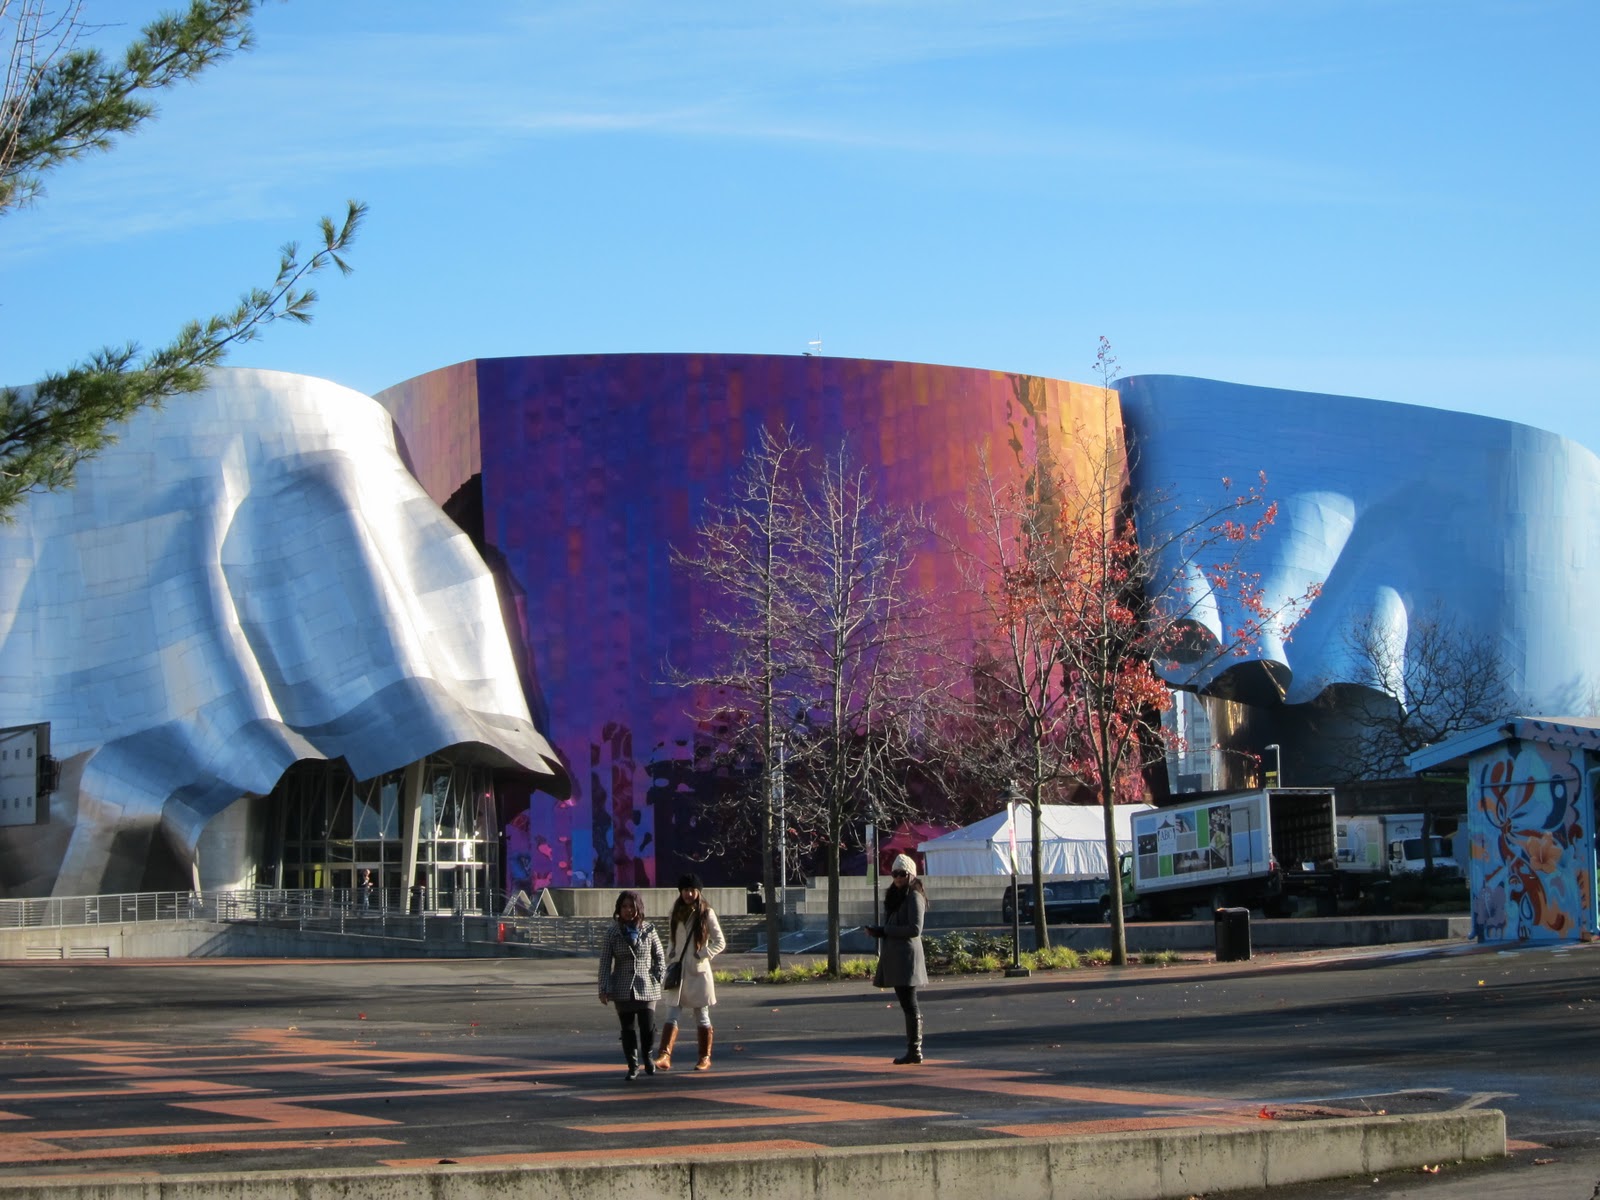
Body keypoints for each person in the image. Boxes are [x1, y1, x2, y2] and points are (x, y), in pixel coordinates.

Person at [654, 873, 727, 1072]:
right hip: (678, 970)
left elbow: (720, 942)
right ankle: (664, 1055)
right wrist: (671, 952)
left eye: (692, 890)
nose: (689, 893)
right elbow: (673, 938)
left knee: (702, 1014)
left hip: (697, 971)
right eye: (685, 890)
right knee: (672, 1013)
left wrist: (702, 953)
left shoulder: (706, 913)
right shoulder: (675, 911)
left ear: (699, 892)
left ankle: (705, 1057)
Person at [864, 853, 928, 1065]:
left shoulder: (914, 896)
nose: (898, 878)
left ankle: (915, 1049)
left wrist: (885, 930)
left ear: (911, 874)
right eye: (894, 874)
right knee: (907, 1004)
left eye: (902, 874)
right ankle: (913, 1049)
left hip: (907, 958)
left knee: (910, 1004)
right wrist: (880, 931)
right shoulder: (897, 896)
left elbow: (915, 928)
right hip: (897, 956)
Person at [597, 889, 665, 1080]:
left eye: (631, 907)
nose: (628, 910)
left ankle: (648, 1057)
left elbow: (659, 956)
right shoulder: (612, 932)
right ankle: (632, 1064)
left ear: (638, 908)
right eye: (624, 907)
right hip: (622, 987)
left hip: (647, 985)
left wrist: (658, 975)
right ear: (619, 909)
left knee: (647, 1027)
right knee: (627, 1029)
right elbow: (605, 962)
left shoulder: (649, 929)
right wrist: (604, 988)